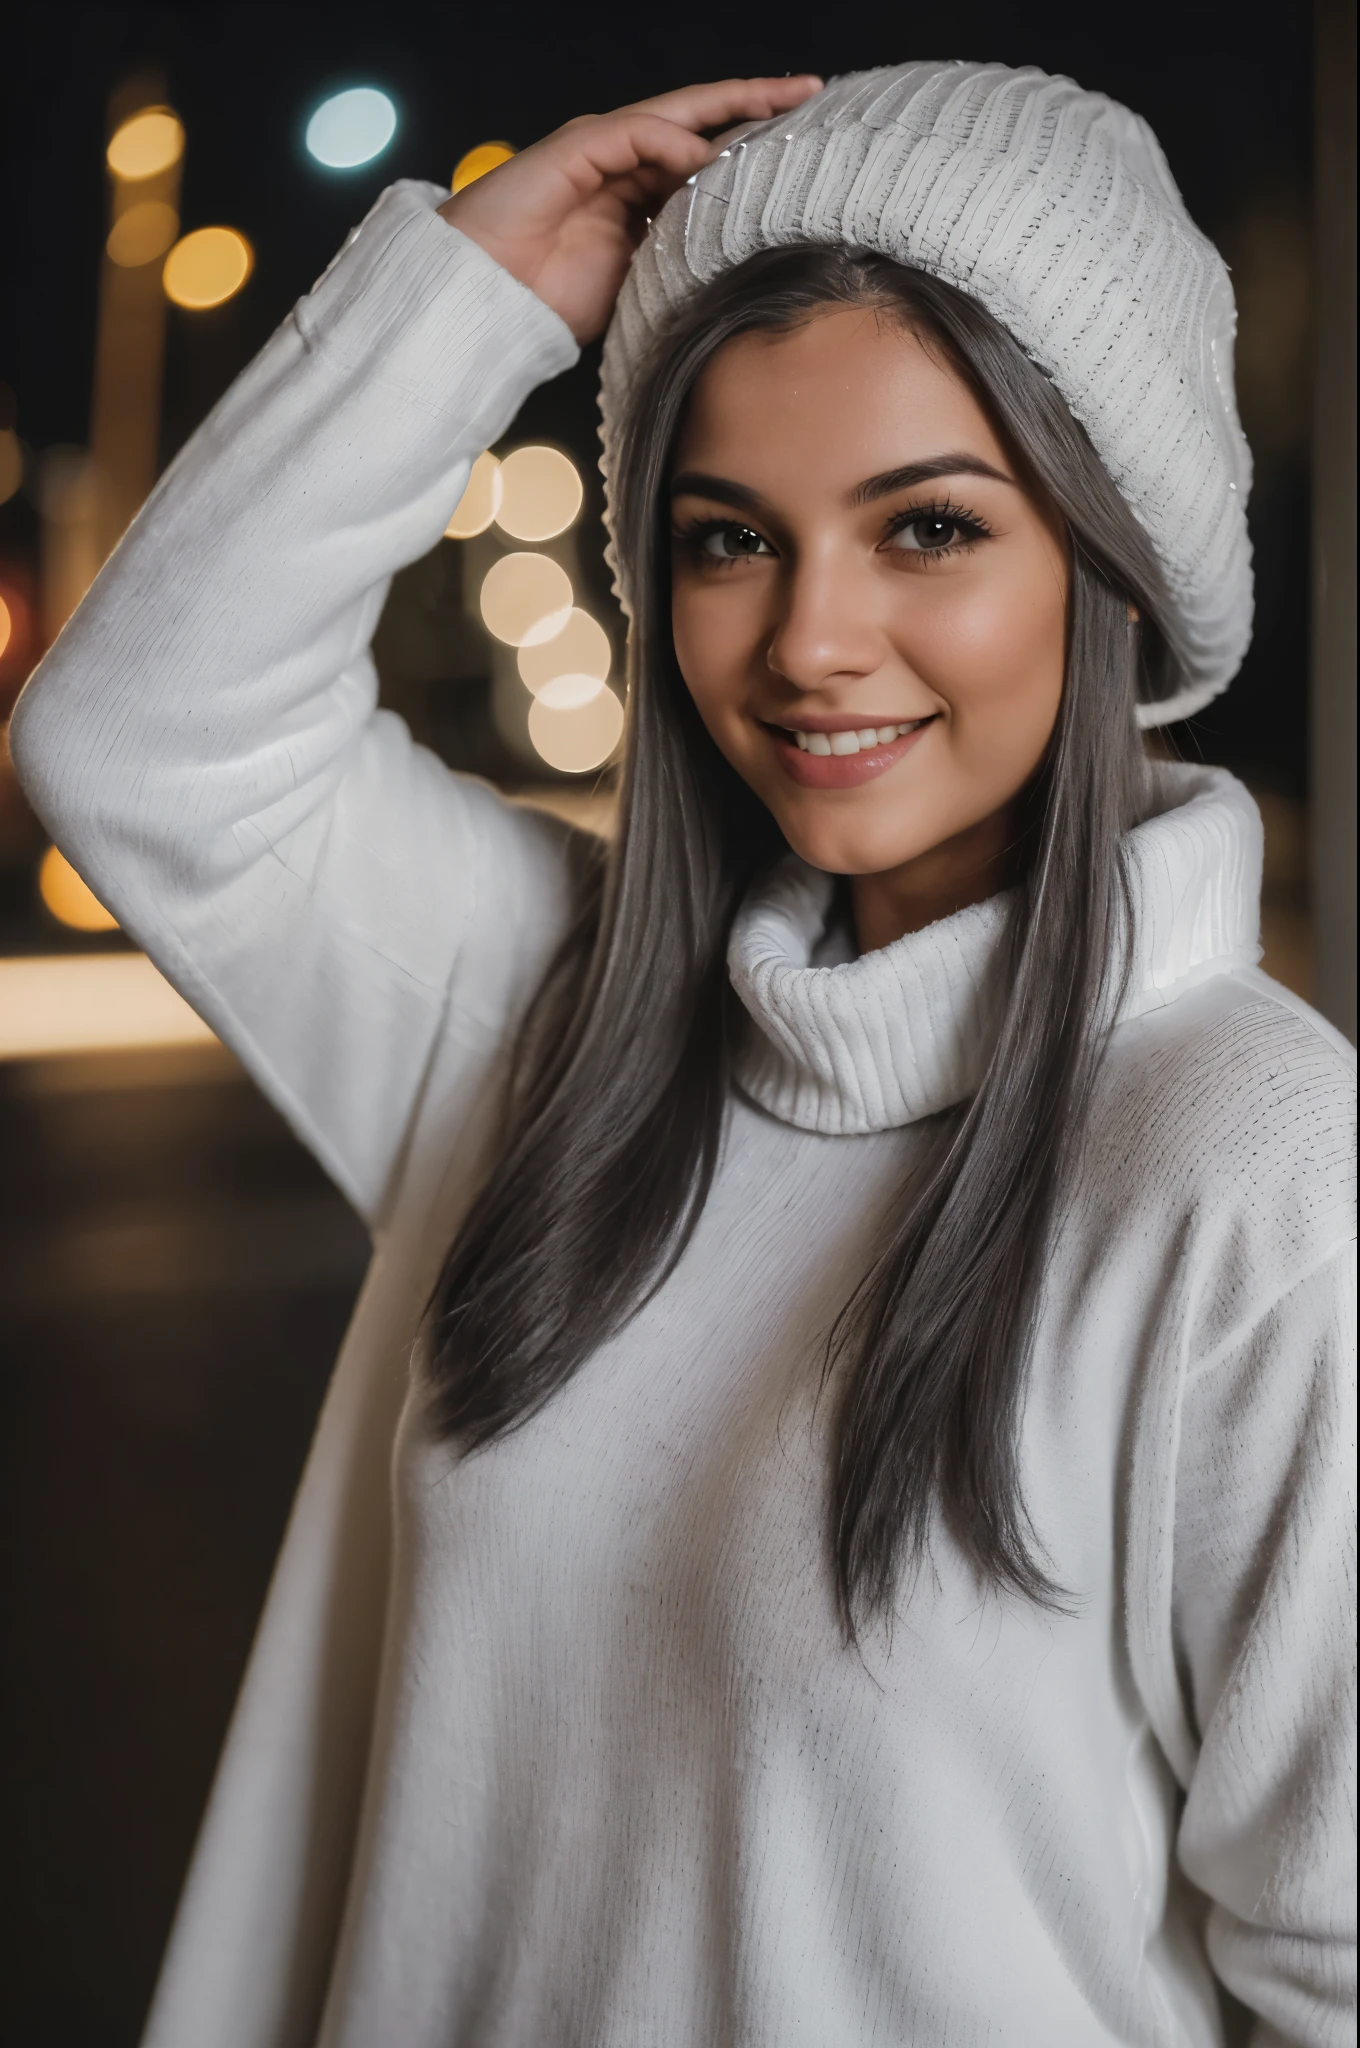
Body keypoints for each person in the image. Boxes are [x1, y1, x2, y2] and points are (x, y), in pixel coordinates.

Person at [12, 61, 1356, 2048]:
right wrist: (472, 301)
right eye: (727, 537)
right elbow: (133, 740)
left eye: (923, 527)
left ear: (1109, 563)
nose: (809, 637)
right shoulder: (557, 1033)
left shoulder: (1251, 1170)